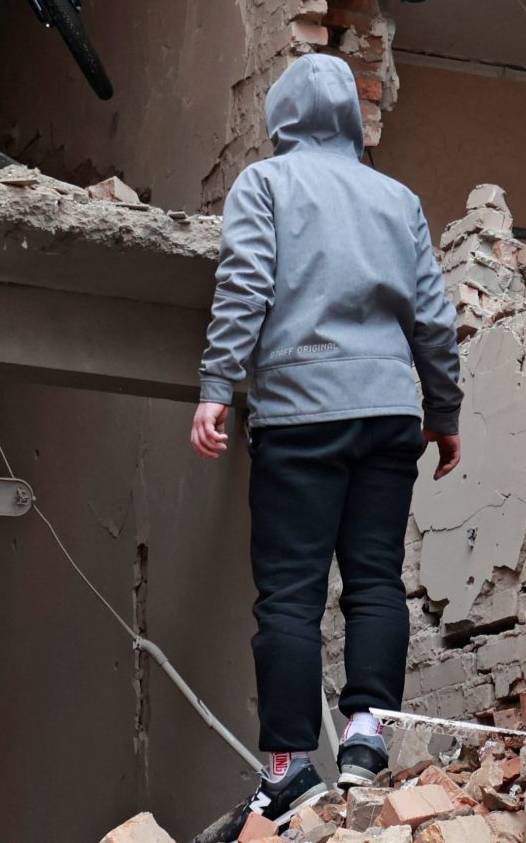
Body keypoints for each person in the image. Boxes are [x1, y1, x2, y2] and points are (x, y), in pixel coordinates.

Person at [190, 53, 462, 831]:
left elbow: (245, 284)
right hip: (387, 413)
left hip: (300, 410)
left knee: (291, 594)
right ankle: (367, 736)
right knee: (376, 578)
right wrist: (442, 412)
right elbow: (434, 321)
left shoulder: (266, 185)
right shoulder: (397, 199)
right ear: (350, 117)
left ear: (281, 117)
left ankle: (287, 767)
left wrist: (217, 387)